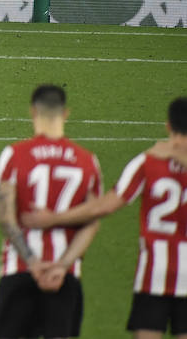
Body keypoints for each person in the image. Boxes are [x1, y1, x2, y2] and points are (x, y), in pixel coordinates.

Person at [22, 97, 187, 339]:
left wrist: (55, 217)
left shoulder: (149, 161)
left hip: (154, 274)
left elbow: (104, 206)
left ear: (168, 126)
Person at [0, 84, 104, 339]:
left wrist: (32, 262)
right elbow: (92, 222)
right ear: (66, 113)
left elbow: (6, 218)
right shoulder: (88, 161)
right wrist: (62, 266)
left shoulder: (14, 155)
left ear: (33, 111)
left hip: (19, 269)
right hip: (64, 276)